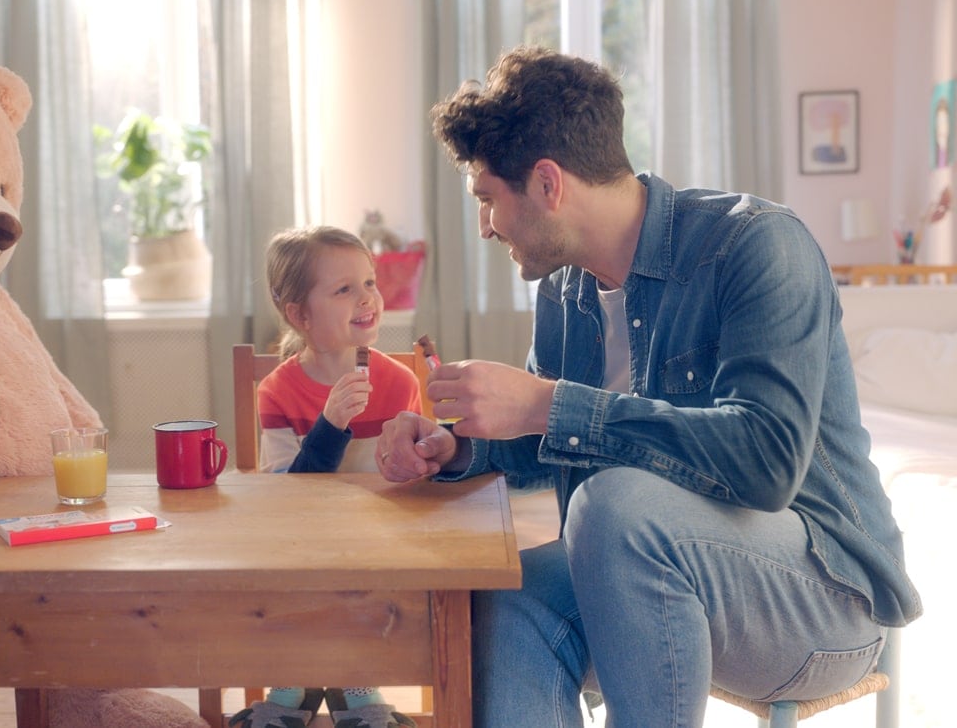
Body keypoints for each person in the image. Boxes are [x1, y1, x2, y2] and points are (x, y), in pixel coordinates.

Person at [375, 45, 921, 728]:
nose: (484, 225)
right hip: (646, 568)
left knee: (614, 506)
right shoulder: (566, 288)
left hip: (825, 595)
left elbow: (767, 464)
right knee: (506, 594)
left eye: (488, 200)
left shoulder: (756, 246)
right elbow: (547, 436)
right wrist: (451, 447)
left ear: (548, 184)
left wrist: (547, 404)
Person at [229, 225, 419, 728]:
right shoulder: (277, 391)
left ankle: (347, 682)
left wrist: (431, 448)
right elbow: (288, 498)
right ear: (299, 315)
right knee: (290, 566)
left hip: (378, 543)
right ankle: (301, 678)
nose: (367, 298)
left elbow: (413, 485)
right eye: (344, 289)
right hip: (303, 544)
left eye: (370, 282)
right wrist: (330, 425)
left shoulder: (398, 382)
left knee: (367, 565)